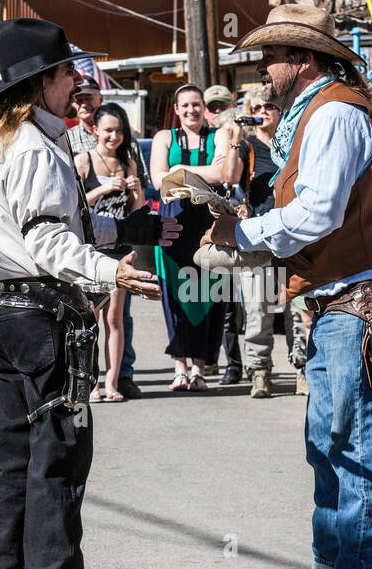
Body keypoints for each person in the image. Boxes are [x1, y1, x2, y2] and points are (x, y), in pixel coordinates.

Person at [204, 3, 372, 569]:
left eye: (272, 55)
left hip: (358, 301)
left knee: (352, 445)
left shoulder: (333, 115)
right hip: (344, 299)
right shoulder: (325, 112)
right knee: (331, 444)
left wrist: (243, 234)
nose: (264, 67)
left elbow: (319, 211)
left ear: (301, 61)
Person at [0, 18, 176, 569]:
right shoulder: (32, 147)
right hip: (39, 314)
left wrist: (124, 231)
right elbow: (46, 239)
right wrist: (112, 271)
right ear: (42, 82)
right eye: (67, 73)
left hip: (2, 311)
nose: (78, 82)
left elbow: (44, 228)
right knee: (56, 456)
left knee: (13, 460)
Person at [65, 76, 148, 398]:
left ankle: (113, 382)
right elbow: (70, 205)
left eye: (119, 131)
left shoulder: (127, 161)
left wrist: (137, 192)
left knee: (116, 318)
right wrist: (102, 188)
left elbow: (137, 211)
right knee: (91, 317)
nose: (114, 136)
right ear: (95, 131)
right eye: (108, 130)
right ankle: (92, 383)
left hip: (121, 249)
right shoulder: (84, 160)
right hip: (91, 248)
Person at [149, 84, 235, 391]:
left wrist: (179, 168)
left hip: (211, 220)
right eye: (184, 105)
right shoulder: (164, 137)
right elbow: (159, 180)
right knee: (176, 294)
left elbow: (223, 174)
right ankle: (180, 367)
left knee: (210, 292)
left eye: (196, 104)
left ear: (204, 106)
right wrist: (201, 172)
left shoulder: (219, 135)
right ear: (176, 109)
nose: (191, 110)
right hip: (173, 221)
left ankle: (200, 368)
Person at [222, 85, 285, 398]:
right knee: (257, 307)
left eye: (269, 107)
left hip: (294, 234)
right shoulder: (247, 146)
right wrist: (235, 139)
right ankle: (260, 370)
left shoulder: (292, 142)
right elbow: (230, 178)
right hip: (258, 234)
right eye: (258, 109)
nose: (263, 113)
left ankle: (302, 367)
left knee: (297, 306)